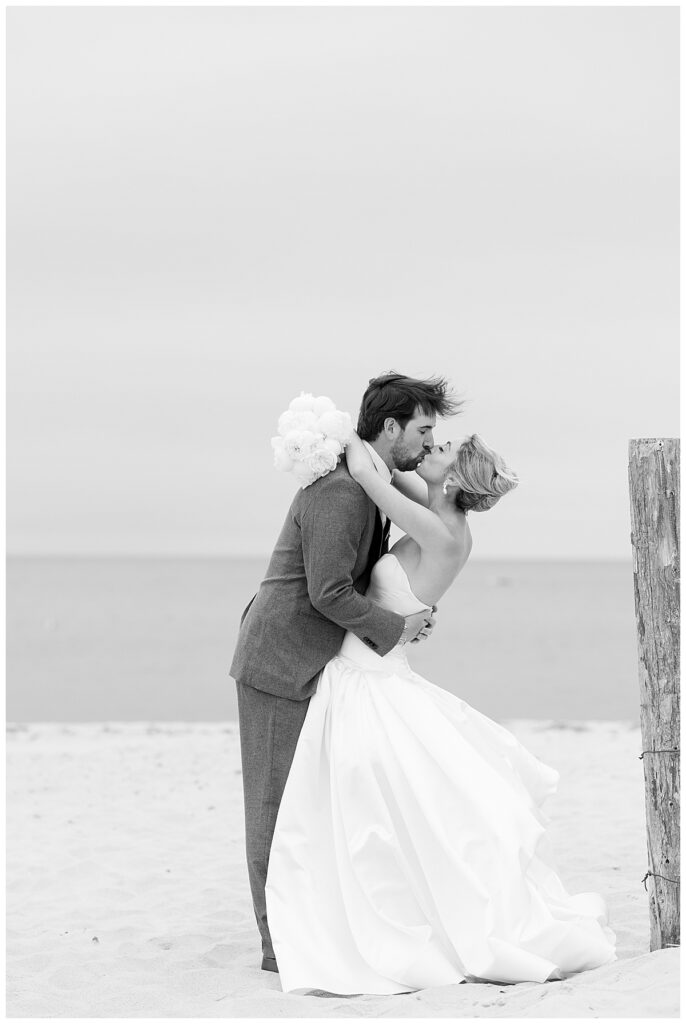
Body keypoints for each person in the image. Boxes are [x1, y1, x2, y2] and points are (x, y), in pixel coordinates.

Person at [264, 431, 617, 994]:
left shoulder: (442, 529)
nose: (435, 443)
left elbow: (370, 477)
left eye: (446, 445)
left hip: (370, 676)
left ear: (454, 478)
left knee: (373, 802)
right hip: (369, 668)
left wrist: (344, 431)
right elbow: (391, 477)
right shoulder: (435, 507)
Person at [229, 372, 462, 973]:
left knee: (314, 801)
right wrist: (395, 630)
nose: (431, 439)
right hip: (280, 661)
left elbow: (361, 576)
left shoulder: (369, 482)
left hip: (320, 663)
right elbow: (329, 591)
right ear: (391, 428)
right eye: (424, 428)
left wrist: (408, 611)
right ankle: (276, 947)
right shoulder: (342, 492)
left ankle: (308, 922)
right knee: (273, 804)